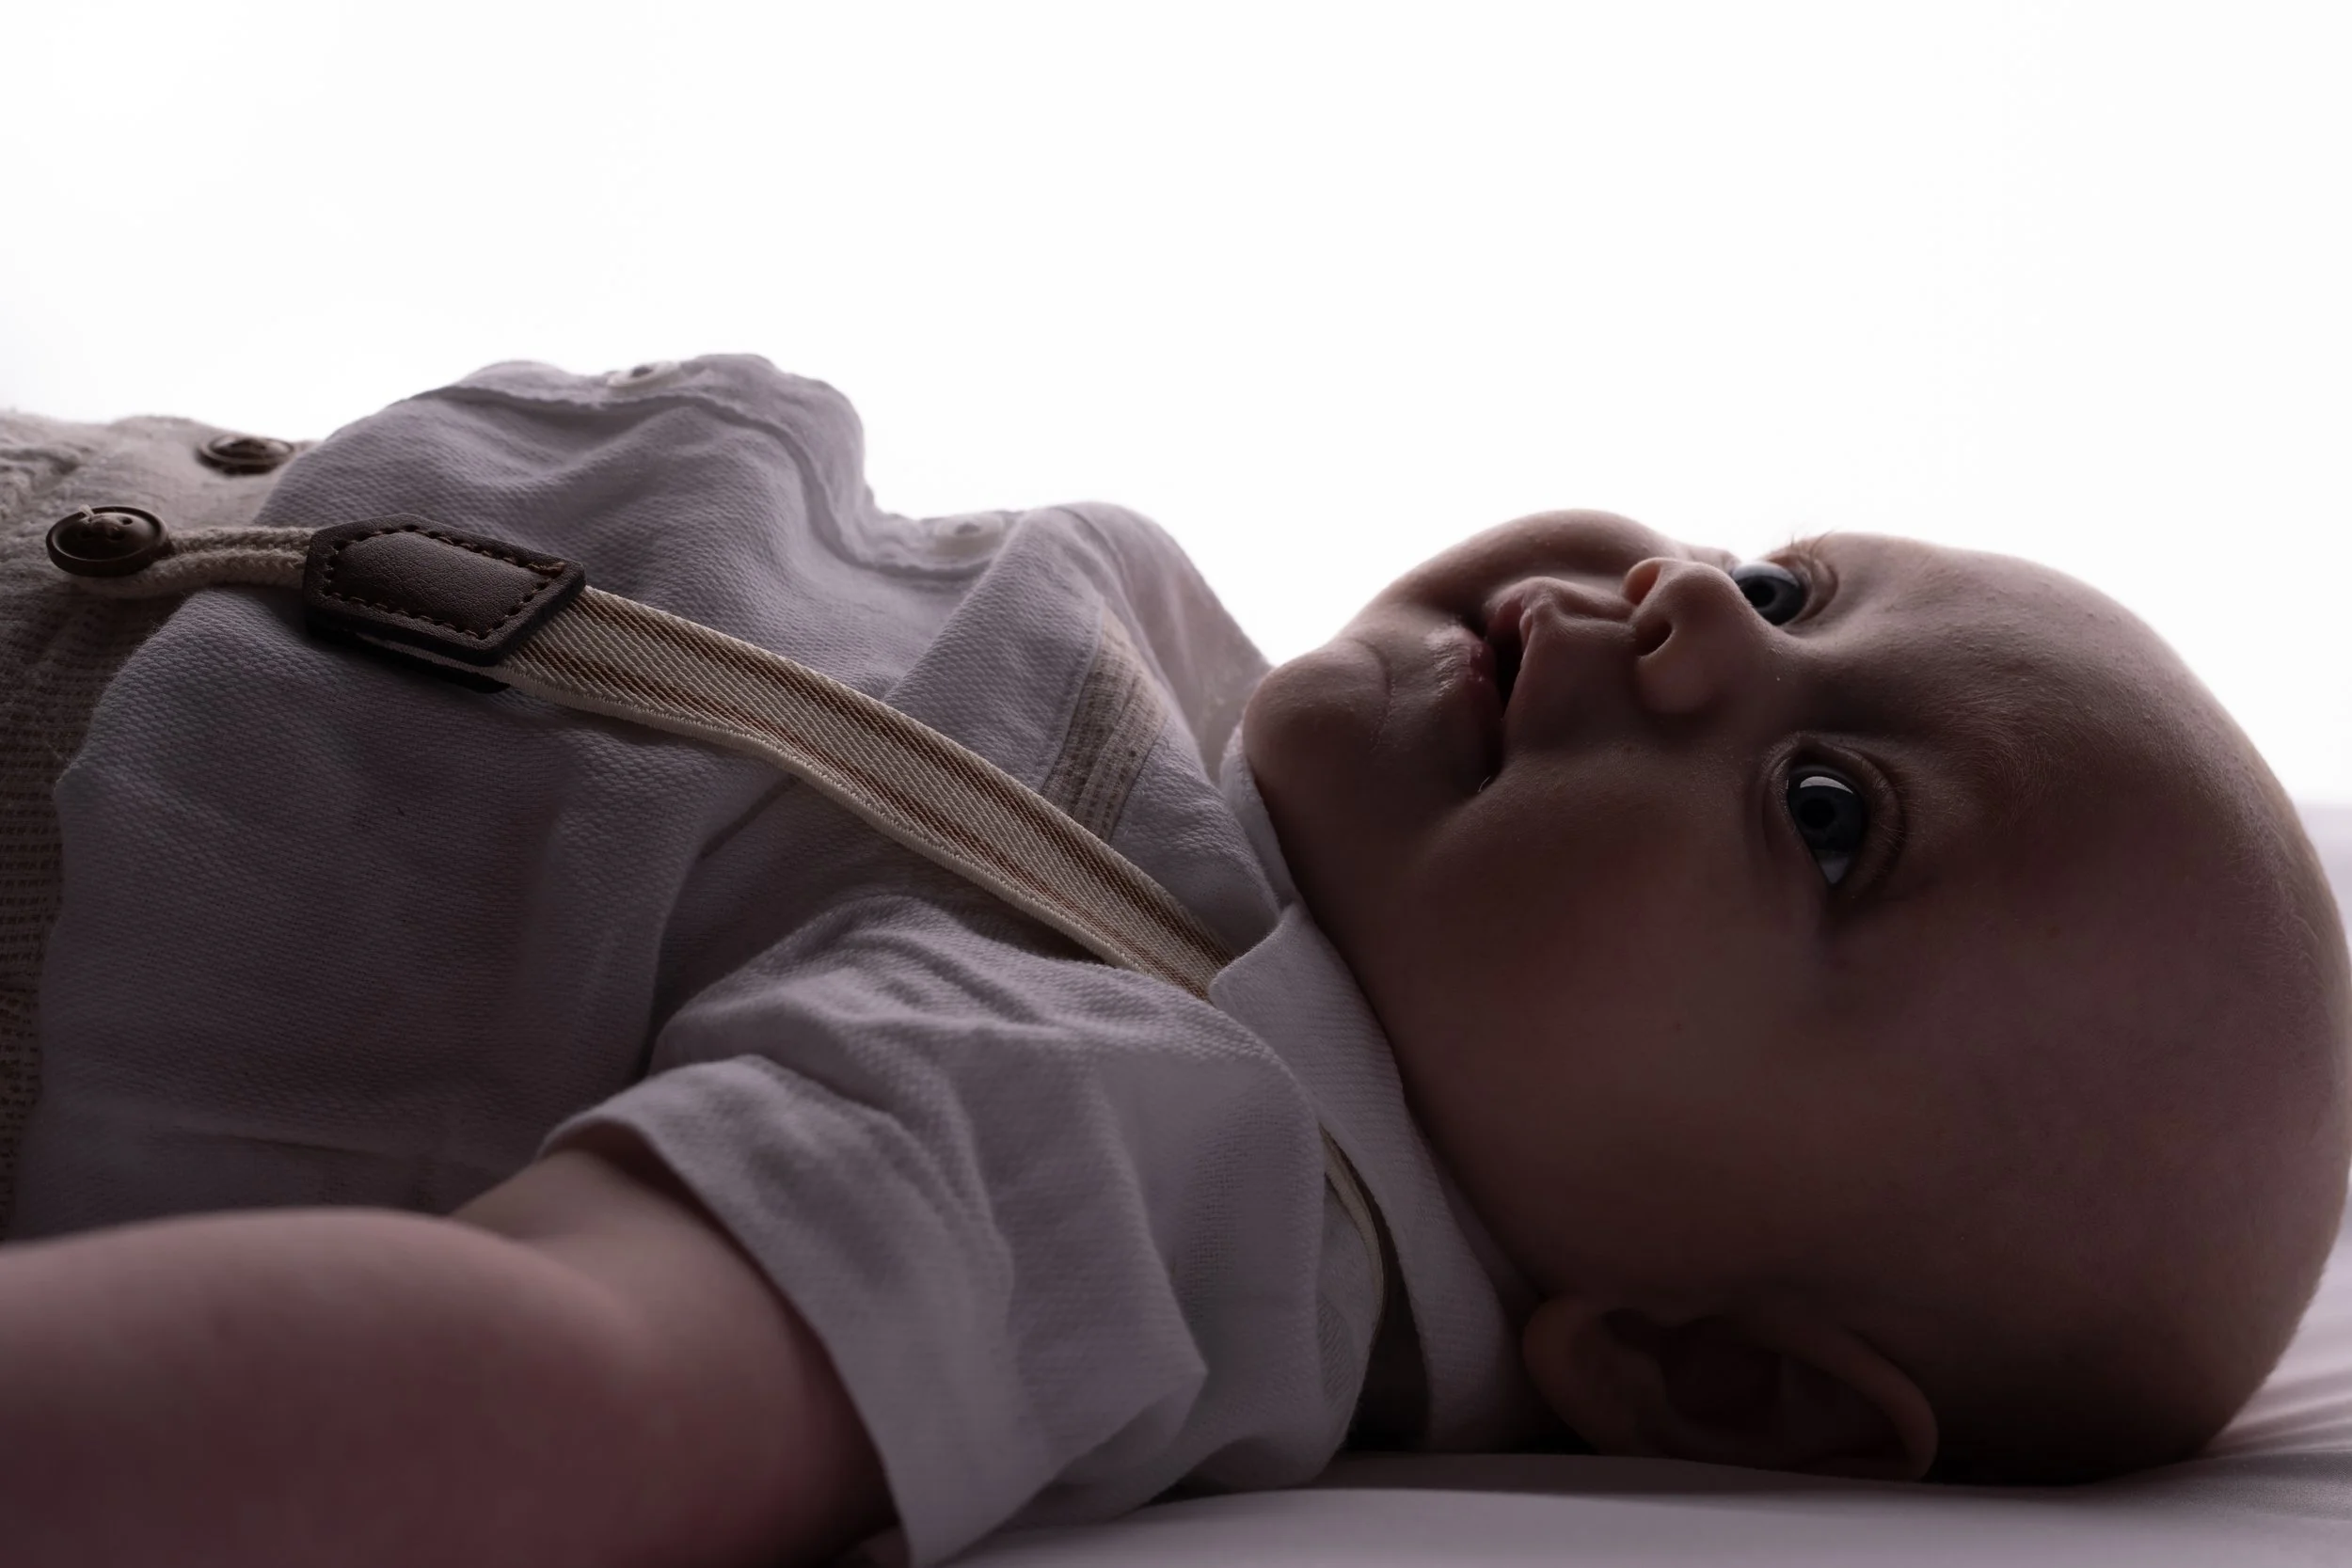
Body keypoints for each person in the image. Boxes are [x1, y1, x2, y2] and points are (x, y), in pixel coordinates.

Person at [0, 356, 2344, 1568]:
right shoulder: (1242, 795)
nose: (1700, 604)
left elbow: (556, 1375)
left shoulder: (1167, 1142)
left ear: (1718, 1388)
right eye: (1796, 572)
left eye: (1832, 819)